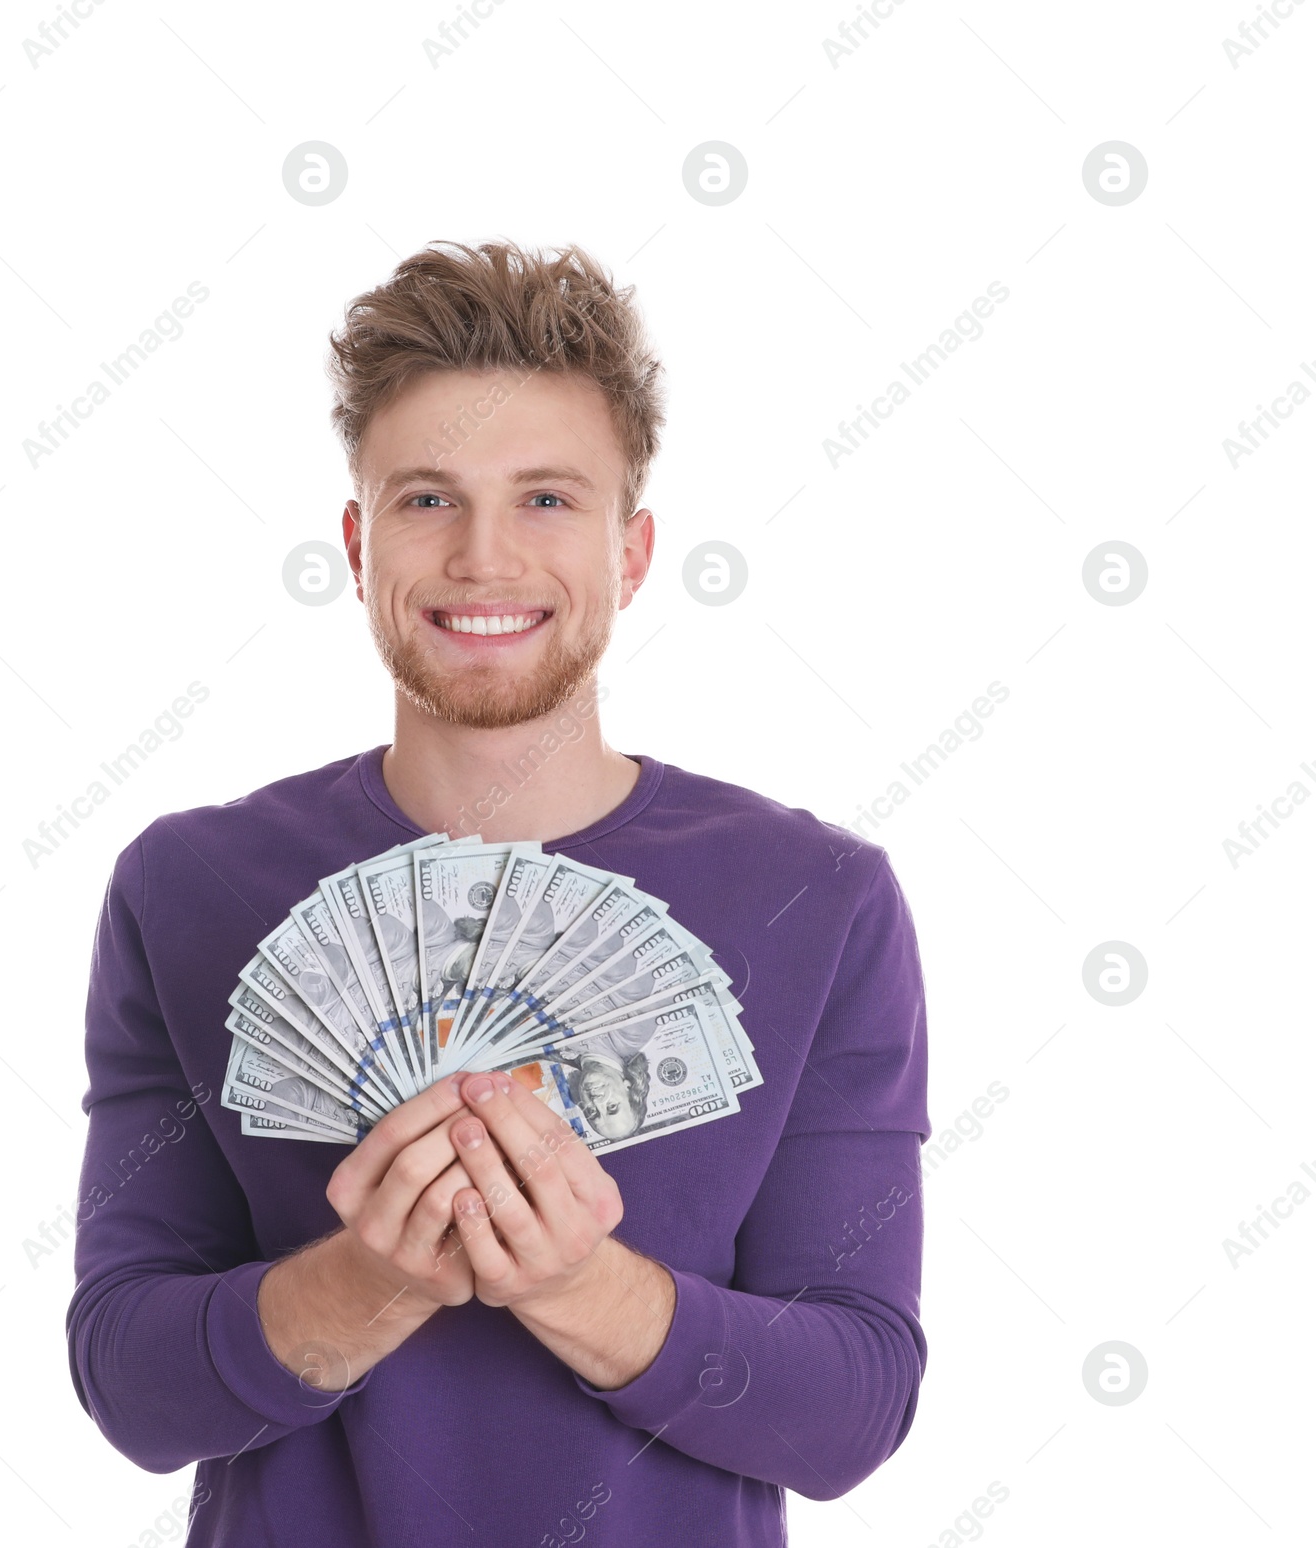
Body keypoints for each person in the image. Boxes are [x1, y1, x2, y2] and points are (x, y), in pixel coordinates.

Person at [67, 239, 931, 1547]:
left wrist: (584, 1286)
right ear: (358, 547)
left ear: (632, 553)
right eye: (426, 500)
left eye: (544, 500)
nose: (483, 558)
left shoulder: (819, 899)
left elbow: (852, 1410)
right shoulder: (190, 887)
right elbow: (131, 1383)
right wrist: (366, 1282)